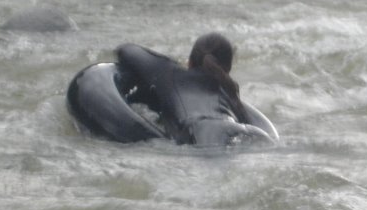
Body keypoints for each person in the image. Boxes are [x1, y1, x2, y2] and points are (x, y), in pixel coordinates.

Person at [114, 32, 272, 146]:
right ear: (227, 69)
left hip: (203, 135)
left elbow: (126, 50)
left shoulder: (169, 73)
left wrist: (168, 65)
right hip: (248, 133)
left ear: (189, 61)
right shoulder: (229, 93)